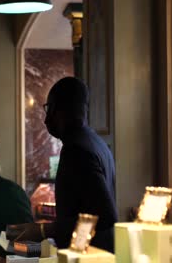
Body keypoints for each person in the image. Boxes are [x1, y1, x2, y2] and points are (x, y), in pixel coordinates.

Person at [8, 77, 118, 253]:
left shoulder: (77, 149)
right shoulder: (97, 142)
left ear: (60, 109)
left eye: (49, 109)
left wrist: (43, 230)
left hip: (87, 255)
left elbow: (105, 216)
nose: (46, 120)